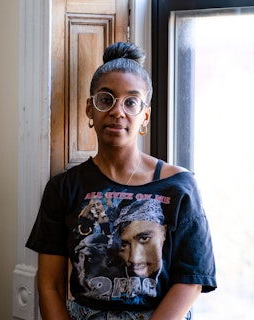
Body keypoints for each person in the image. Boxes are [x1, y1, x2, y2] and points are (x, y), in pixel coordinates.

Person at [26, 42, 217, 320]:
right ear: (90, 110)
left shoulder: (180, 187)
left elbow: (190, 281)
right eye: (106, 99)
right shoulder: (63, 188)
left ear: (145, 117)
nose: (118, 111)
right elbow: (50, 285)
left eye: (131, 102)